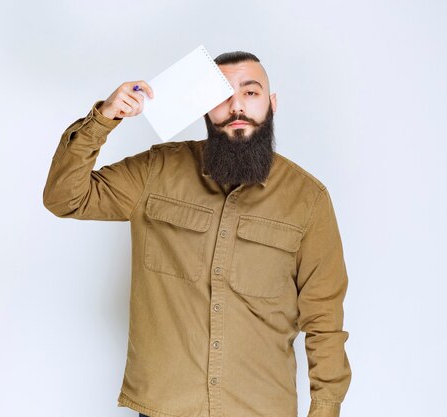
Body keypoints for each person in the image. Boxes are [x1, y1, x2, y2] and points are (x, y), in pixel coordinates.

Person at [43, 51, 352, 417]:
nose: (237, 107)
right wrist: (104, 119)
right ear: (206, 108)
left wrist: (325, 410)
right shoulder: (157, 171)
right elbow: (65, 198)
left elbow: (325, 322)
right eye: (222, 96)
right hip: (166, 407)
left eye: (250, 93)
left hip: (261, 408)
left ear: (272, 104)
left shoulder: (308, 200)